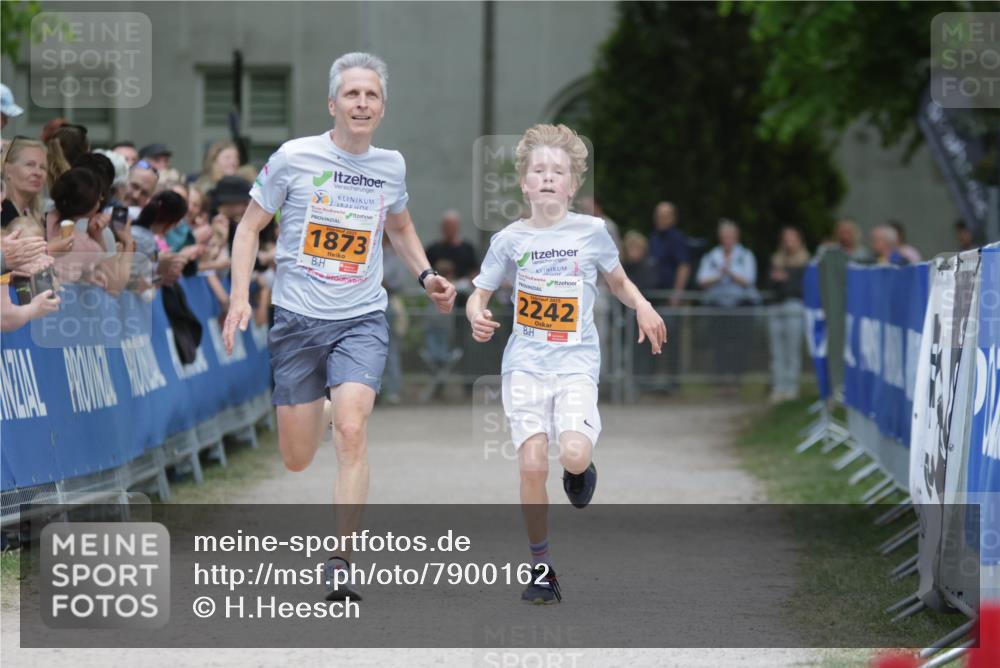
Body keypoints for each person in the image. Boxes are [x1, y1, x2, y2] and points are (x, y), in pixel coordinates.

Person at [222, 52, 457, 601]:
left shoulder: (390, 166)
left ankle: (341, 559)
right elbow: (248, 228)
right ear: (333, 104)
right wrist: (238, 297)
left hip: (360, 317)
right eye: (352, 94)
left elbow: (399, 227)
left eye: (371, 95)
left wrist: (426, 275)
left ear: (382, 108)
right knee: (297, 457)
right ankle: (321, 407)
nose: (361, 102)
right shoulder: (294, 158)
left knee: (354, 430)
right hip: (298, 321)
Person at [466, 124, 666, 604]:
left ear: (574, 185)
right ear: (525, 183)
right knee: (532, 462)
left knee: (572, 453)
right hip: (526, 364)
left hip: (576, 360)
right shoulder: (509, 240)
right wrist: (477, 315)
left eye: (559, 171)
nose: (549, 177)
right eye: (540, 170)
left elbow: (617, 282)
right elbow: (480, 294)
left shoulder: (592, 232)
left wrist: (641, 304)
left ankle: (580, 469)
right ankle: (541, 566)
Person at [696, 218, 758, 392]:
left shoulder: (745, 256)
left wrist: (729, 272)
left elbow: (749, 280)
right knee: (719, 345)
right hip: (717, 307)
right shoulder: (711, 256)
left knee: (739, 345)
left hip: (740, 307)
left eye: (730, 236)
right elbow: (702, 279)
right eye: (724, 236)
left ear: (736, 237)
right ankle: (721, 382)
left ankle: (735, 381)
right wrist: (719, 275)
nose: (727, 240)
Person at [766, 227, 810, 403]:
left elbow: (801, 289)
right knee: (777, 351)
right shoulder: (776, 260)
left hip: (794, 307)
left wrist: (786, 280)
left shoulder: (805, 262)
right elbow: (770, 285)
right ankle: (779, 387)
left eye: (792, 238)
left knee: (792, 350)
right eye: (786, 239)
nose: (789, 242)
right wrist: (778, 281)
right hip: (776, 307)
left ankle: (791, 387)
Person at [1, 216, 60, 331]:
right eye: (28, 249)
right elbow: (5, 318)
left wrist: (47, 277)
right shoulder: (5, 266)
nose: (34, 255)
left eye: (37, 248)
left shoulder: (44, 265)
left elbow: (55, 292)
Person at [648, 201, 690, 306]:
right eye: (658, 216)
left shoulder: (677, 238)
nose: (661, 219)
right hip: (653, 294)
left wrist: (677, 293)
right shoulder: (653, 237)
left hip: (669, 295)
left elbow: (684, 266)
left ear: (673, 218)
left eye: (665, 216)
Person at [2, 137, 47, 227]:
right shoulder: (2, 212)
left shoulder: (34, 216)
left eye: (42, 167)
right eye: (30, 165)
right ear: (7, 170)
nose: (38, 173)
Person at [424, 209, 479, 280]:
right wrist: (437, 269)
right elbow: (425, 272)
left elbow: (475, 271)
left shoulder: (468, 249)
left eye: (452, 226)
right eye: (447, 226)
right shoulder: (433, 250)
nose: (450, 229)